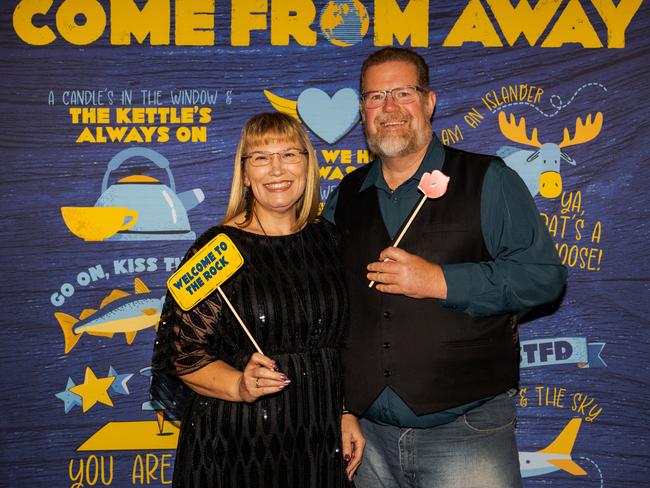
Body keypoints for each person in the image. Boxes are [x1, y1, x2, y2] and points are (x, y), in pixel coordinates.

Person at [323, 47, 567, 487]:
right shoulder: (345, 195)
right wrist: (340, 407)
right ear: (362, 110)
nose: (389, 108)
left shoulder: (488, 179)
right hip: (368, 437)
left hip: (467, 431)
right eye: (375, 97)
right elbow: (330, 308)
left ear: (429, 102)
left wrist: (440, 281)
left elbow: (543, 277)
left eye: (402, 92)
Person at [151, 112, 364, 488]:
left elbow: (344, 342)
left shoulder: (330, 240)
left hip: (316, 444)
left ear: (308, 164)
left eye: (289, 154)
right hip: (236, 448)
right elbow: (181, 354)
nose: (277, 169)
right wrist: (238, 385)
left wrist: (345, 411)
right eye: (261, 157)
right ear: (245, 174)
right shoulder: (216, 249)